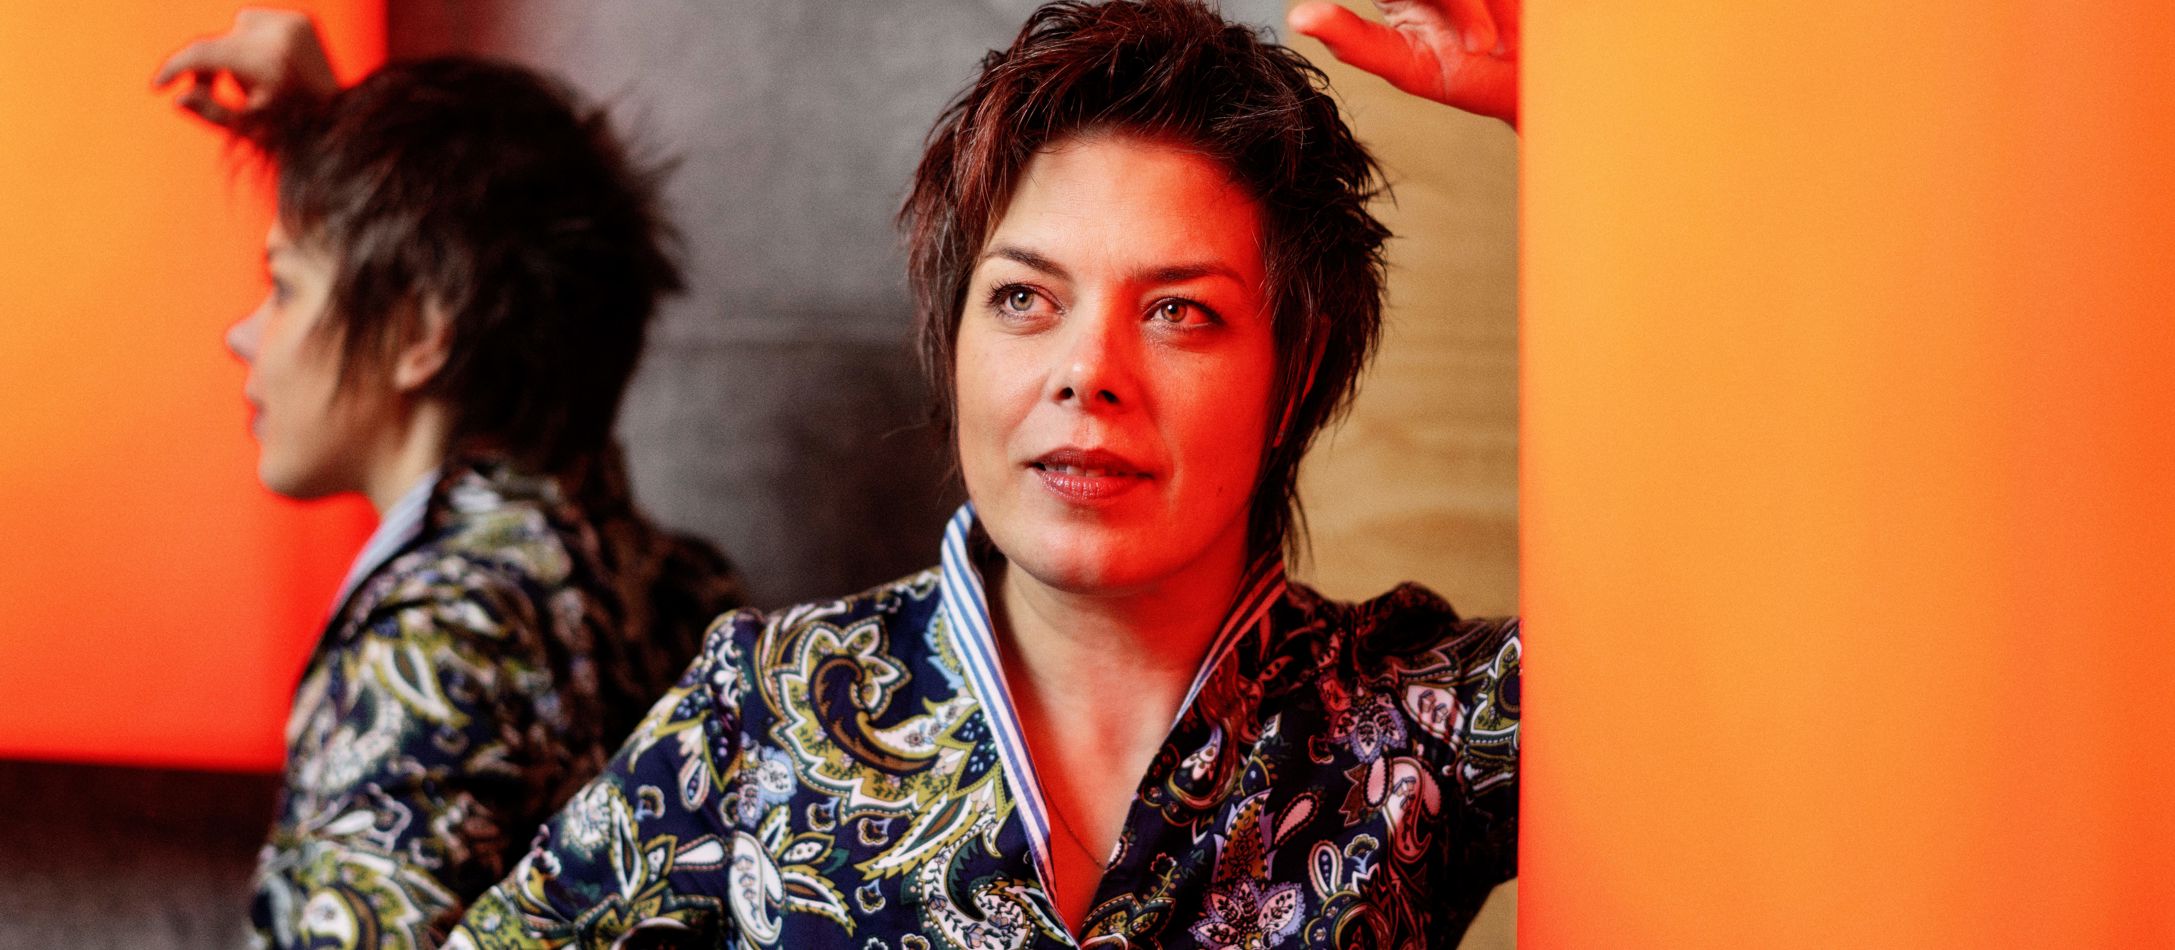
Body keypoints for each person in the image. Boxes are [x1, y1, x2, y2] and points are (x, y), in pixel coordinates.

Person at [436, 1, 1520, 947]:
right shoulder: (762, 709)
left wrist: (1565, 117)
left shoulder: (1414, 720)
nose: (1087, 372)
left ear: (1298, 374)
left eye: (1178, 311)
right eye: (1023, 298)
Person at [153, 42, 745, 950]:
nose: (243, 333)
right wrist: (353, 136)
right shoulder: (686, 594)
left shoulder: (435, 638)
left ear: (421, 332)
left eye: (284, 286)